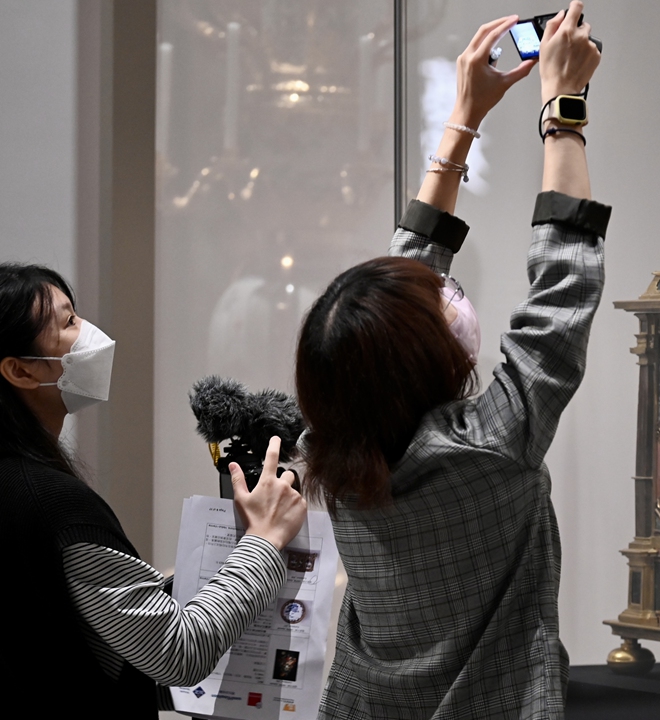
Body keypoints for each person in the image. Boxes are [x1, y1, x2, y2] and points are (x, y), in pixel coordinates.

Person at [295, 4, 606, 718]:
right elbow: (564, 285)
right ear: (425, 359)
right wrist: (563, 110)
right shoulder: (491, 448)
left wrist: (464, 116)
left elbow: (392, 298)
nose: (452, 294)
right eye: (443, 303)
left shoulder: (335, 451)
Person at [0, 263, 308, 716]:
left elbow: (80, 623)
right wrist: (263, 542)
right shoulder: (50, 503)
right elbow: (177, 653)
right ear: (20, 372)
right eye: (67, 323)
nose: (90, 333)